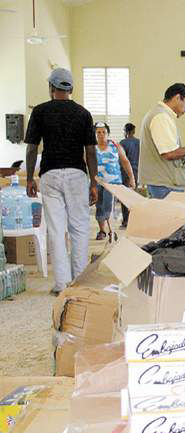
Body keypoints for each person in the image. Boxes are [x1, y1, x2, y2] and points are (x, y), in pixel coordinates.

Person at [24, 68, 98, 295]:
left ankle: (62, 284)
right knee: (79, 228)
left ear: (51, 88)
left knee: (56, 230)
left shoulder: (40, 111)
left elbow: (32, 148)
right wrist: (93, 182)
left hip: (50, 174)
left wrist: (29, 178)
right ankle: (80, 281)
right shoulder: (83, 113)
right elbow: (90, 151)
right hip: (76, 174)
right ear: (71, 89)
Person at [138, 83, 185, 199]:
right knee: (168, 217)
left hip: (164, 183)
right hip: (164, 185)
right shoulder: (161, 117)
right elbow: (169, 153)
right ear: (177, 98)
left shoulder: (162, 115)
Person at [94, 122, 135, 240]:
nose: (101, 135)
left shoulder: (115, 146)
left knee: (109, 206)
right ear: (95, 134)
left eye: (104, 132)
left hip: (113, 184)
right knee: (99, 206)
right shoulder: (91, 148)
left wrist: (131, 178)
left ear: (108, 133)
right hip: (97, 182)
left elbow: (125, 162)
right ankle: (102, 231)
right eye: (98, 132)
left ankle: (112, 231)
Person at [118, 123, 139, 228]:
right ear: (134, 131)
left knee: (125, 197)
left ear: (125, 131)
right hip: (137, 171)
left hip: (125, 172)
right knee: (133, 196)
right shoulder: (139, 142)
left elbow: (121, 159)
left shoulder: (122, 143)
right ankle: (134, 220)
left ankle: (126, 221)